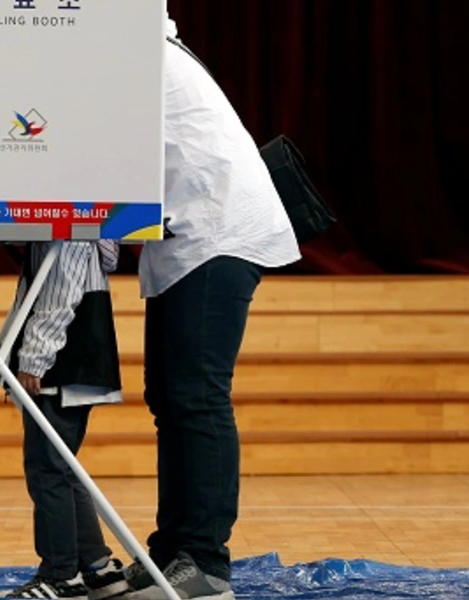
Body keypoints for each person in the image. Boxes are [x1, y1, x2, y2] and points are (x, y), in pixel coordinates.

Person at [122, 14, 302, 600]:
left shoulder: (135, 51)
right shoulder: (140, 49)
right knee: (170, 397)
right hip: (188, 236)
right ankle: (171, 555)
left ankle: (203, 564)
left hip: (217, 231)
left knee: (196, 395)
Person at [0, 240, 130, 600]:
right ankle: (97, 568)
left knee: (47, 470)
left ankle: (60, 576)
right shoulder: (82, 218)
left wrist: (34, 357)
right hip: (76, 355)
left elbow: (61, 292)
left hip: (62, 361)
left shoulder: (66, 219)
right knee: (62, 467)